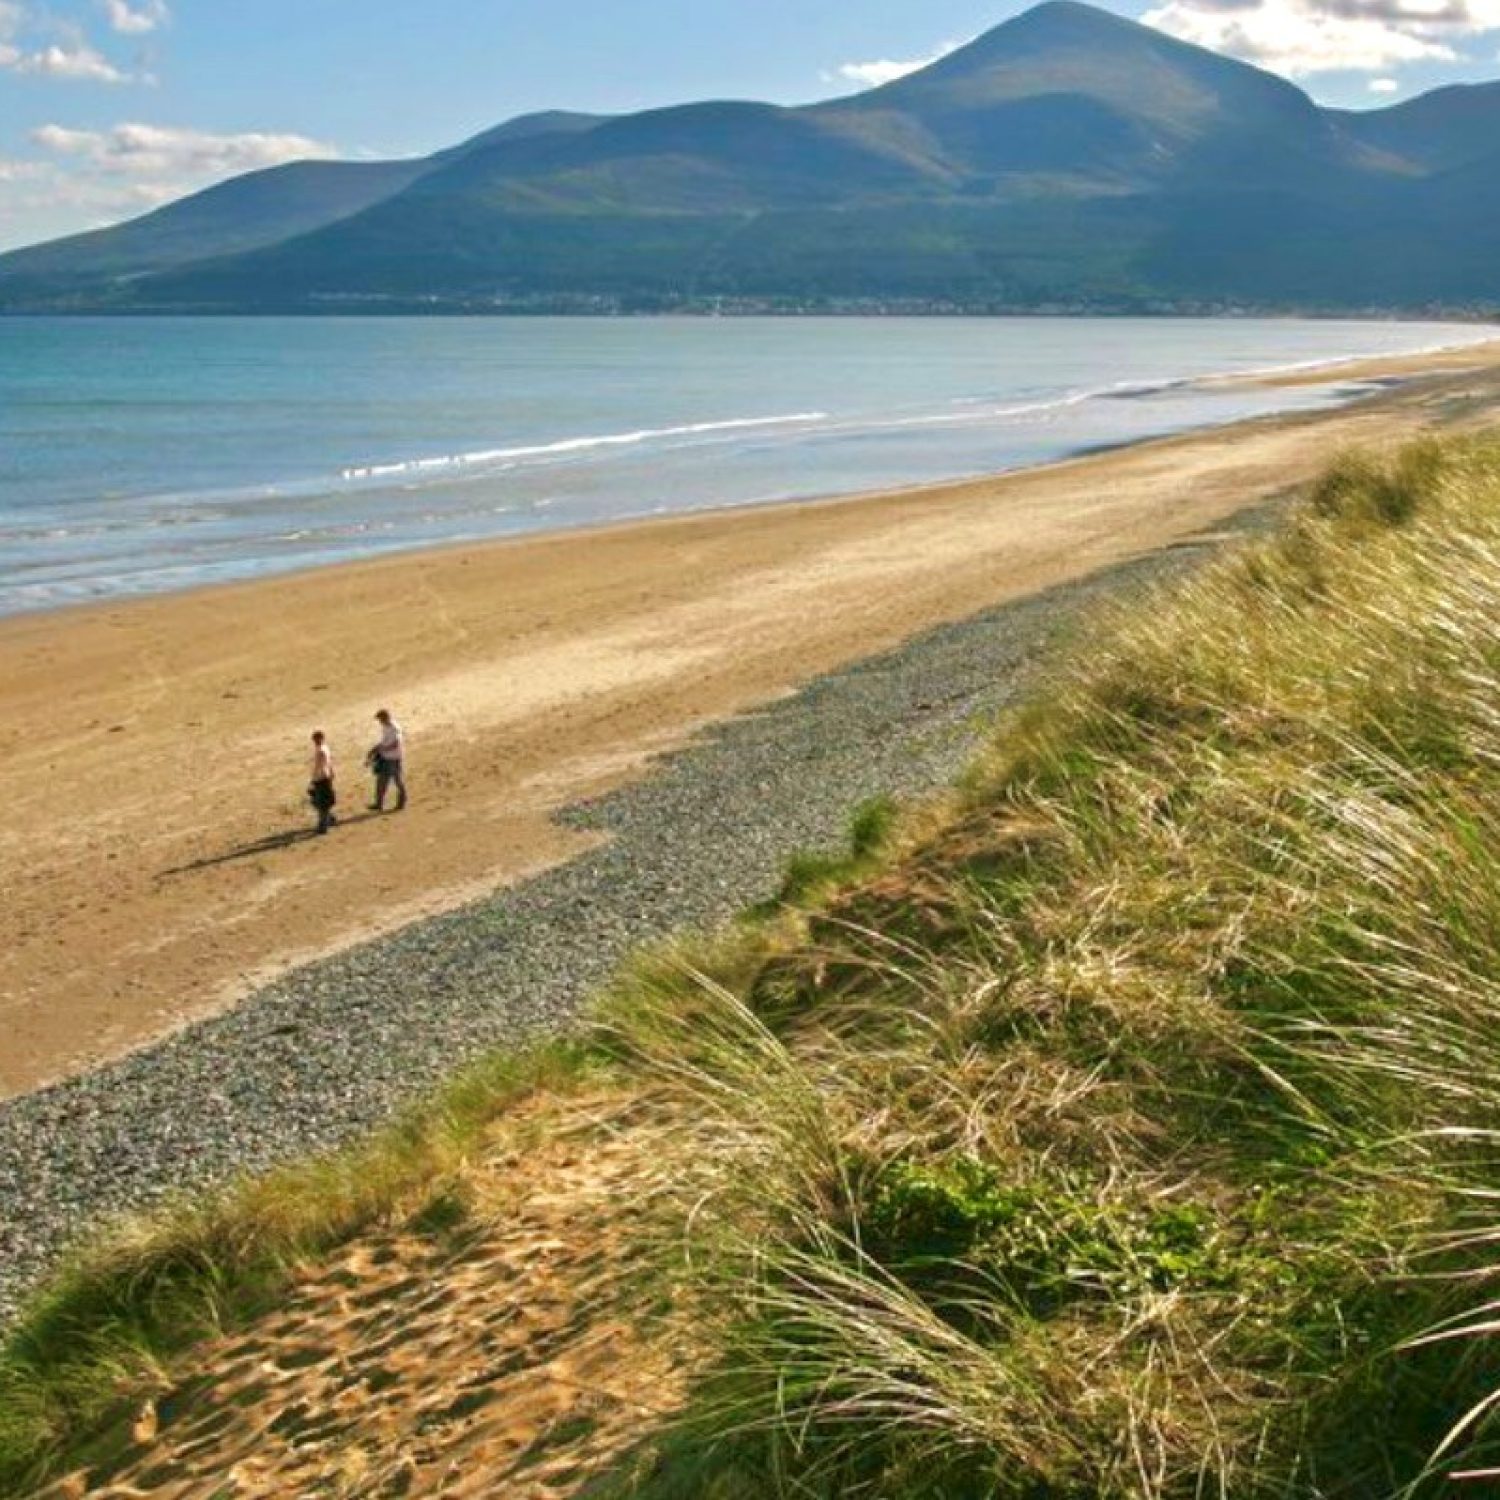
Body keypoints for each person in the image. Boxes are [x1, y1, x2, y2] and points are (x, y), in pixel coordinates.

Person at [366, 708, 407, 811]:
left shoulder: (394, 728)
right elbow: (384, 741)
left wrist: (383, 749)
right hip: (386, 758)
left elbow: (396, 743)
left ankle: (401, 802)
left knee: (397, 781)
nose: (380, 721)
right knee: (381, 781)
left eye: (380, 719)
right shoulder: (385, 727)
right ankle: (379, 804)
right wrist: (375, 749)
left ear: (385, 717)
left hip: (394, 759)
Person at [308, 730, 337, 834]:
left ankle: (323, 826)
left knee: (321, 803)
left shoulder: (320, 750)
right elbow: (329, 763)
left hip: (321, 778)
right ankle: (329, 819)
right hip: (325, 777)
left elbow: (318, 767)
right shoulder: (325, 748)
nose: (315, 741)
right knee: (322, 802)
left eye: (316, 739)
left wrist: (313, 780)